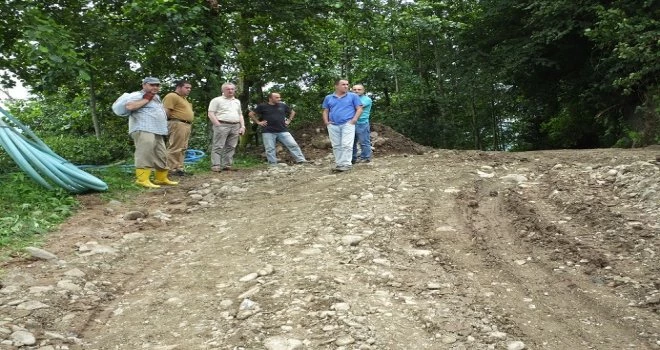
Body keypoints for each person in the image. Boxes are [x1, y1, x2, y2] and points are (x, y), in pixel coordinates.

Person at [125, 77, 178, 188]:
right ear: (144, 85)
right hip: (144, 128)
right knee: (145, 153)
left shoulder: (156, 97)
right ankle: (142, 180)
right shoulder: (137, 95)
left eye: (157, 85)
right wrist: (146, 99)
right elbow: (130, 106)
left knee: (161, 154)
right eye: (152, 85)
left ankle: (161, 178)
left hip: (157, 130)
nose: (155, 87)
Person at [248, 92, 307, 166]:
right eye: (277, 97)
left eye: (279, 97)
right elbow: (251, 114)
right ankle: (273, 165)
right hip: (268, 131)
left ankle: (301, 160)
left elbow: (292, 112)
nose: (279, 99)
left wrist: (289, 120)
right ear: (270, 98)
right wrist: (258, 122)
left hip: (283, 130)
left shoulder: (283, 105)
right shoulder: (262, 106)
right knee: (270, 149)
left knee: (293, 145)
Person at [322, 79, 363, 172]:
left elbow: (359, 109)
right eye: (343, 84)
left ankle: (346, 164)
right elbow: (325, 111)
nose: (346, 86)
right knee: (336, 145)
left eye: (347, 84)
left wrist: (354, 120)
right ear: (336, 86)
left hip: (347, 124)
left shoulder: (353, 96)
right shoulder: (329, 97)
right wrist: (326, 122)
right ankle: (339, 164)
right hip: (333, 125)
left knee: (346, 144)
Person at [207, 82, 246, 172]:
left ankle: (227, 165)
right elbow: (211, 113)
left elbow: (240, 114)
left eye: (232, 89)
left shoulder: (237, 101)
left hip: (235, 125)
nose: (230, 91)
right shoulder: (216, 100)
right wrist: (217, 124)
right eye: (228, 89)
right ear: (223, 90)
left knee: (231, 146)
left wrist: (242, 126)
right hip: (222, 124)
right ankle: (216, 165)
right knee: (218, 146)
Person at [162, 80, 194, 176]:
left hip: (186, 124)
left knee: (182, 147)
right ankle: (171, 169)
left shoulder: (184, 99)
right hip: (177, 123)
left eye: (190, 88)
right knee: (175, 146)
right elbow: (166, 111)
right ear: (179, 87)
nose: (189, 90)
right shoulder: (172, 96)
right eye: (186, 87)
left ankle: (179, 168)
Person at [351, 84, 373, 164]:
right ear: (352, 90)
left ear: (363, 90)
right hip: (351, 123)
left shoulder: (366, 99)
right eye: (354, 89)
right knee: (351, 142)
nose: (356, 91)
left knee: (364, 141)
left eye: (359, 89)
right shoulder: (350, 98)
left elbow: (356, 107)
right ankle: (352, 159)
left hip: (362, 123)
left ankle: (366, 157)